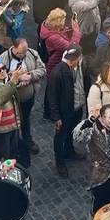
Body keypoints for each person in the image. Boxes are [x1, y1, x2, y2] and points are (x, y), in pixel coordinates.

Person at [0, 37, 45, 161]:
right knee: (12, 124)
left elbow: (42, 69)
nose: (23, 55)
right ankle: (15, 145)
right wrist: (17, 80)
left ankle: (27, 140)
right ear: (13, 48)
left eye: (25, 52)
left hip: (28, 96)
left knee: (26, 119)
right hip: (10, 100)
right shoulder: (3, 59)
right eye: (19, 53)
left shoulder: (32, 53)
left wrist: (29, 76)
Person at [47, 47, 88, 178]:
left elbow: (85, 81)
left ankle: (69, 151)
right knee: (60, 137)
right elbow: (51, 96)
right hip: (64, 111)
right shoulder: (58, 72)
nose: (71, 62)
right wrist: (56, 117)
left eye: (74, 60)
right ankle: (59, 161)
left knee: (71, 131)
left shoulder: (82, 65)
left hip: (77, 107)